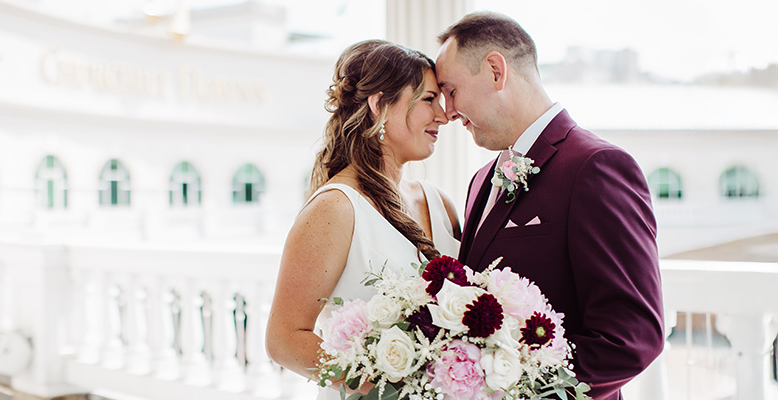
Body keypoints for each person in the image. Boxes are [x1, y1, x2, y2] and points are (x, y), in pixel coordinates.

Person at [435, 12, 664, 400]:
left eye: (451, 90)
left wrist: (514, 391)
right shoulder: (480, 182)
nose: (448, 110)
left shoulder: (596, 167)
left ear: (495, 70)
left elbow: (631, 336)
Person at [265, 40, 461, 398]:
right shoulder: (335, 209)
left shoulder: (440, 203)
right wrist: (385, 385)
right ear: (380, 105)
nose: (444, 115)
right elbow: (284, 339)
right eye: (429, 99)